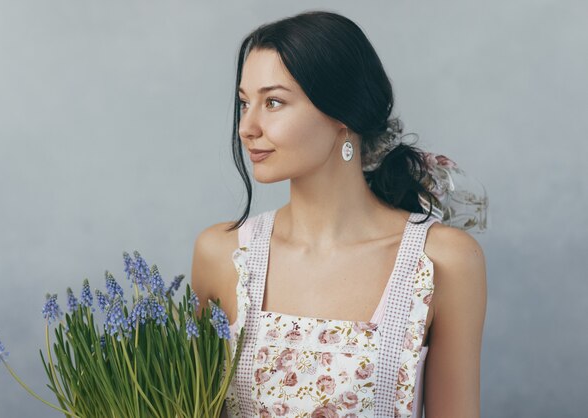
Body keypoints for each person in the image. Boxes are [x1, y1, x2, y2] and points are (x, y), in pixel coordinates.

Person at [192, 10, 487, 418]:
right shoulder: (222, 255)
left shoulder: (442, 261)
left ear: (342, 116)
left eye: (273, 102)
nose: (247, 126)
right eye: (245, 103)